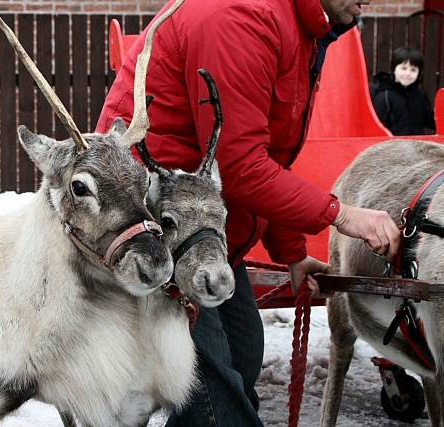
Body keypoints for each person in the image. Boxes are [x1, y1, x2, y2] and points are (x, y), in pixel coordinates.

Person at [96, 0, 401, 426]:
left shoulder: (299, 27)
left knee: (242, 353)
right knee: (216, 400)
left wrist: (292, 252)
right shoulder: (237, 16)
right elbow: (240, 166)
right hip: (159, 229)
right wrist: (342, 215)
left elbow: (267, 153)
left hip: (208, 231)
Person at [372, 47, 436, 136]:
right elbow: (375, 127)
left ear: (418, 73)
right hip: (391, 147)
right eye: (403, 68)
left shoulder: (420, 95)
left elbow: (432, 121)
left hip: (417, 147)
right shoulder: (384, 96)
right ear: (394, 69)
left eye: (413, 70)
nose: (408, 73)